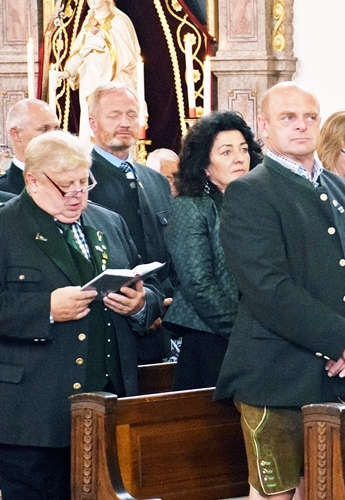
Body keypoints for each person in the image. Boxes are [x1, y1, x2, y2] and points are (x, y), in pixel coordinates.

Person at [215, 82, 345, 500]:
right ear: (264, 126)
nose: (301, 126)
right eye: (287, 118)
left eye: (310, 117)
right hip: (277, 375)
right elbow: (268, 290)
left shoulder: (341, 187)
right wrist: (344, 339)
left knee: (333, 491)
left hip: (340, 376)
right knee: (279, 495)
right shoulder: (250, 192)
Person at [0, 130, 163, 499]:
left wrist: (140, 306)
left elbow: (154, 288)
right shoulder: (6, 227)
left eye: (84, 182)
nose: (78, 195)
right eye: (66, 186)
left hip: (107, 404)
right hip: (33, 418)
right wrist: (45, 310)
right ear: (33, 179)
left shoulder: (108, 222)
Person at [163, 111, 261, 390]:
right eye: (226, 151)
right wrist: (242, 333)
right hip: (210, 340)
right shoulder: (191, 207)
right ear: (205, 165)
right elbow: (198, 283)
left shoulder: (257, 205)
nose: (239, 157)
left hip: (256, 335)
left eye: (244, 149)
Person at [86, 82, 173, 362]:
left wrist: (158, 304)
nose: (125, 123)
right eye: (114, 115)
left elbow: (173, 253)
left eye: (132, 114)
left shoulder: (156, 180)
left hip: (160, 326)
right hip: (105, 328)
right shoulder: (81, 179)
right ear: (93, 123)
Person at [58, 0, 143, 146]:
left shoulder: (119, 21)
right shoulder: (88, 22)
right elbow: (79, 52)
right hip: (90, 83)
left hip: (115, 81)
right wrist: (67, 72)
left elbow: (128, 57)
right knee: (91, 125)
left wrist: (102, 49)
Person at [0, 99, 60, 195]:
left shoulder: (71, 183)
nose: (55, 137)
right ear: (16, 134)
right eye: (44, 129)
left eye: (56, 128)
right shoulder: (2, 190)